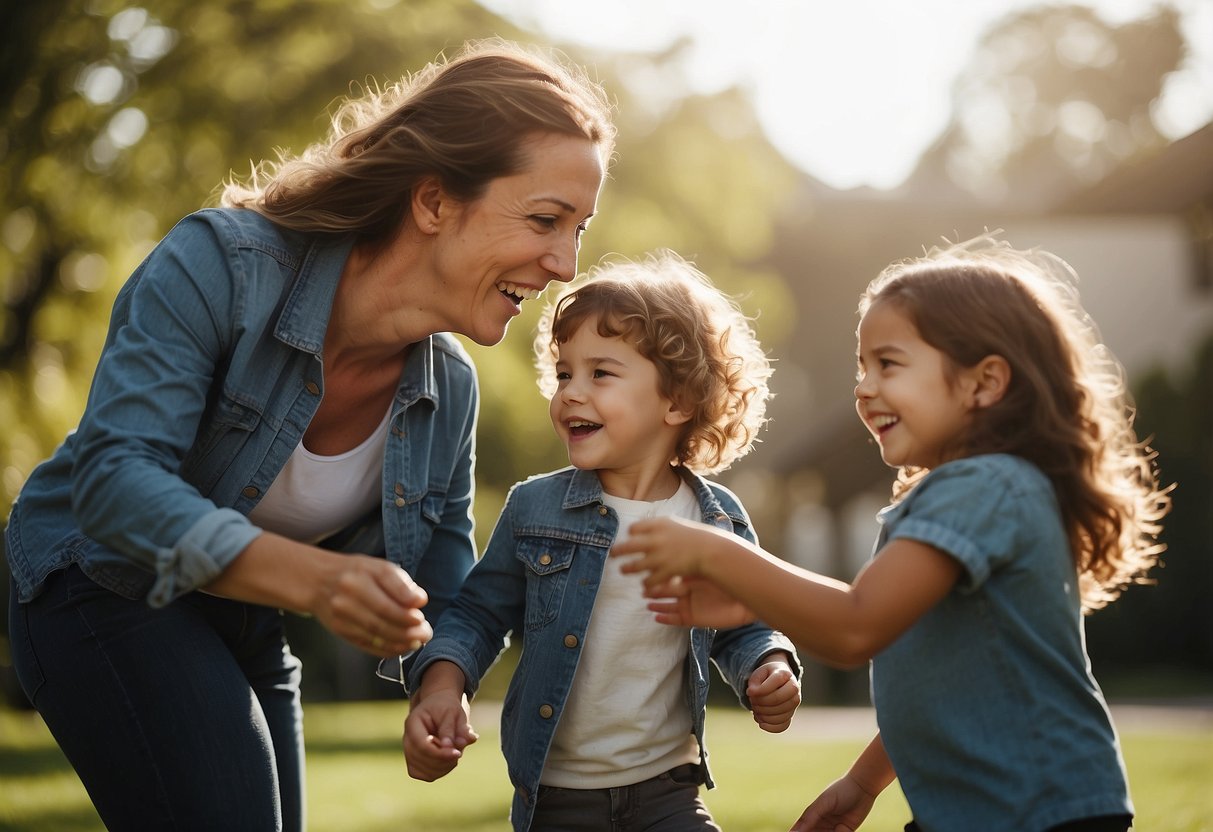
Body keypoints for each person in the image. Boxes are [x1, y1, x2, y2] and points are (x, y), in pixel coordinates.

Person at [5, 39, 615, 831]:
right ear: (432, 202)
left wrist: (441, 682)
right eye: (545, 220)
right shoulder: (220, 267)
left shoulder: (445, 385)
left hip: (244, 619)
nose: (566, 264)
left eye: (578, 230)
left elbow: (441, 563)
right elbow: (115, 479)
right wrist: (319, 584)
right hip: (95, 580)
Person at [613, 237, 1172, 832]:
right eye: (862, 366)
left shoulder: (984, 486)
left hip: (1040, 808)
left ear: (984, 383)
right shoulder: (963, 492)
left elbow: (856, 626)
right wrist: (864, 781)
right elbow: (941, 677)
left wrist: (720, 551)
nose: (863, 387)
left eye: (889, 363)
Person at [401, 251, 803, 831]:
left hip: (668, 793)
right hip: (558, 803)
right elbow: (477, 617)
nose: (571, 392)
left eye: (601, 373)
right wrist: (441, 689)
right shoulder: (533, 509)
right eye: (565, 373)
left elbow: (744, 624)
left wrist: (769, 665)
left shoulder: (715, 521)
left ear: (678, 401)